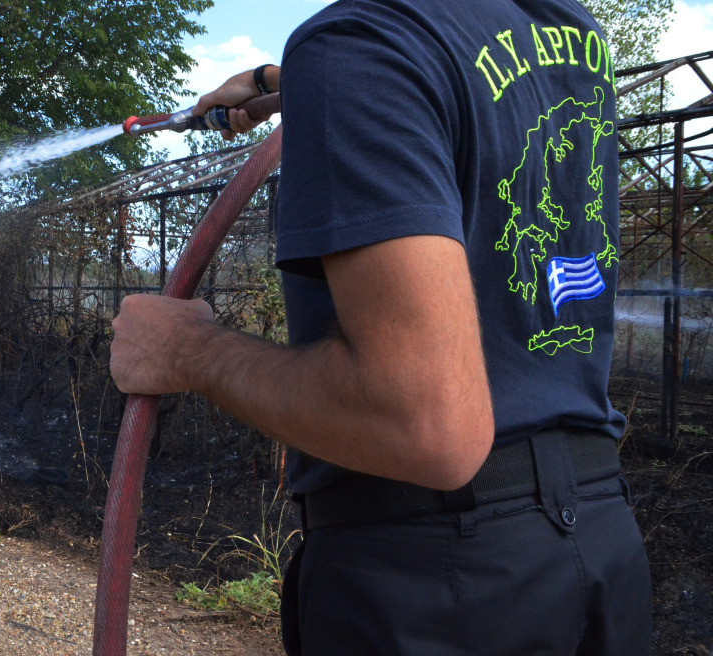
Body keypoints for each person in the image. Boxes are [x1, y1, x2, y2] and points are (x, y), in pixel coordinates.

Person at [109, 0, 652, 654]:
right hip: (600, 552)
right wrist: (307, 83)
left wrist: (191, 351)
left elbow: (426, 422)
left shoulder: (362, 39)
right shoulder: (567, 31)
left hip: (436, 587)